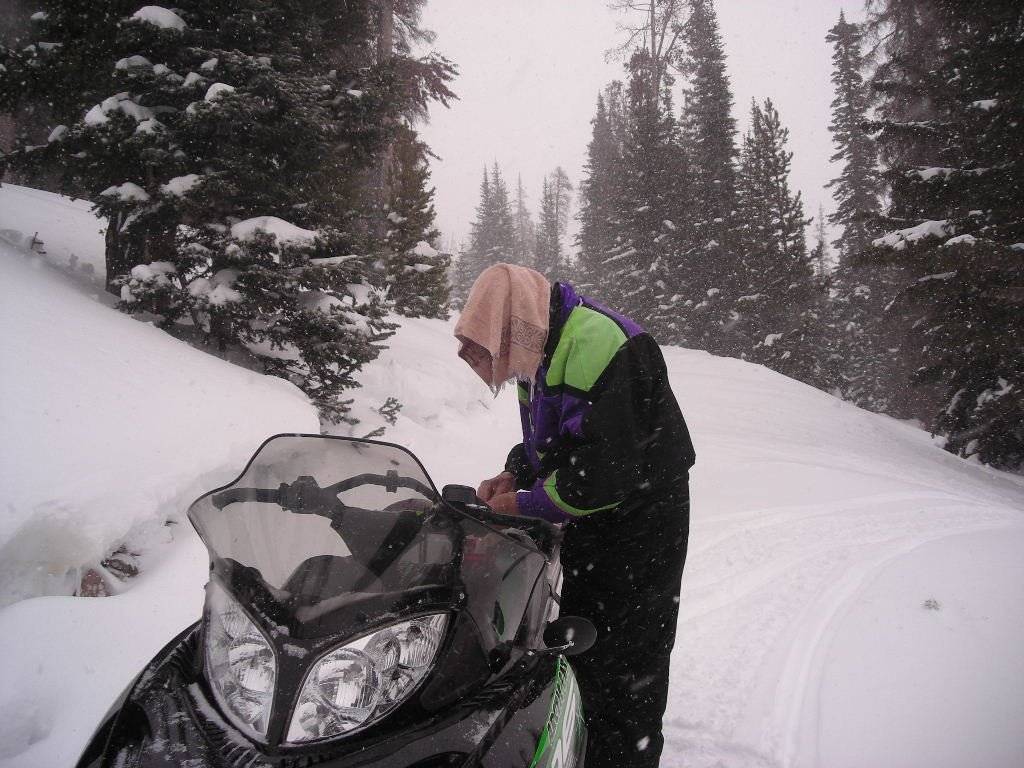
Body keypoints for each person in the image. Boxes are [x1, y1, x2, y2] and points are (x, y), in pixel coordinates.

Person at [454, 263, 695, 768]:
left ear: (510, 325)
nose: (482, 364)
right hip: (597, 513)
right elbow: (556, 439)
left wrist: (521, 504)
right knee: (580, 637)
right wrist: (516, 472)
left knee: (628, 658)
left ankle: (625, 756)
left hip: (643, 517)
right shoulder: (539, 349)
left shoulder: (600, 344)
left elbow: (605, 472)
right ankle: (586, 746)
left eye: (484, 349)